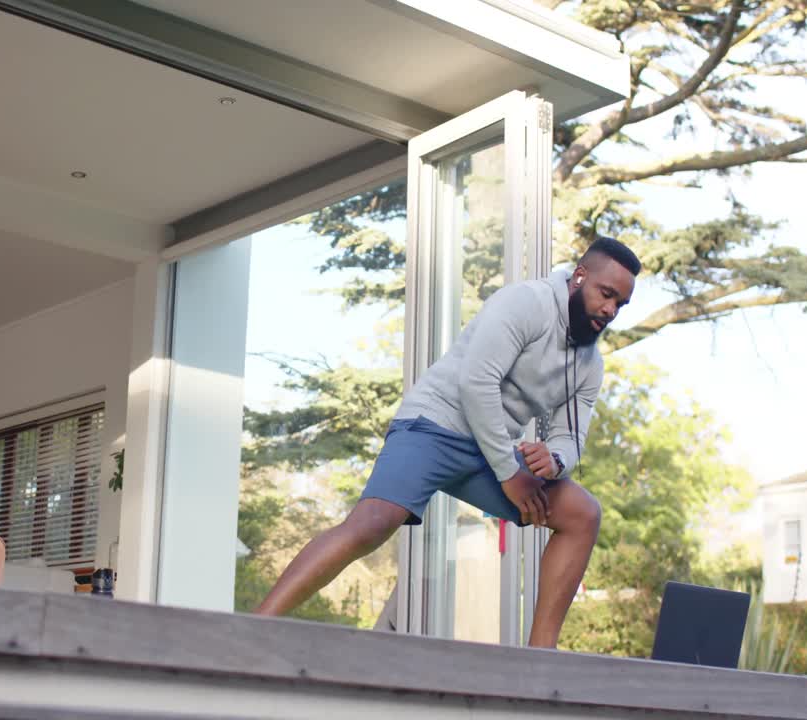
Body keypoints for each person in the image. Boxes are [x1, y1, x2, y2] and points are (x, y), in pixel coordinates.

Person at [254, 237, 640, 648]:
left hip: (489, 453)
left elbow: (571, 435)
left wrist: (555, 460)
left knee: (582, 514)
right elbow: (477, 383)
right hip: (434, 425)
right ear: (580, 276)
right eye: (606, 294)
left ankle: (540, 659)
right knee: (371, 524)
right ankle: (253, 627)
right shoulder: (525, 303)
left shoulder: (589, 364)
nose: (610, 310)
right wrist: (511, 474)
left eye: (621, 304)